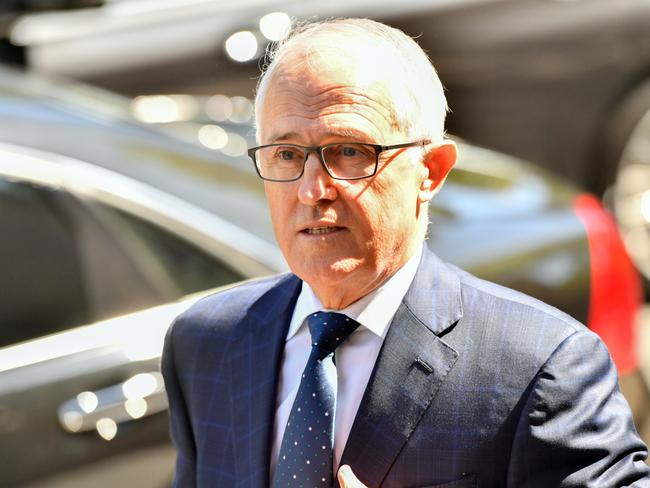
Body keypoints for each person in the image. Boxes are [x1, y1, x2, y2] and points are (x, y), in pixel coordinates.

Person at [161, 18, 650, 487]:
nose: (312, 190)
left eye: (349, 151)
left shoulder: (541, 367)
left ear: (431, 171)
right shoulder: (206, 343)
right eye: (286, 154)